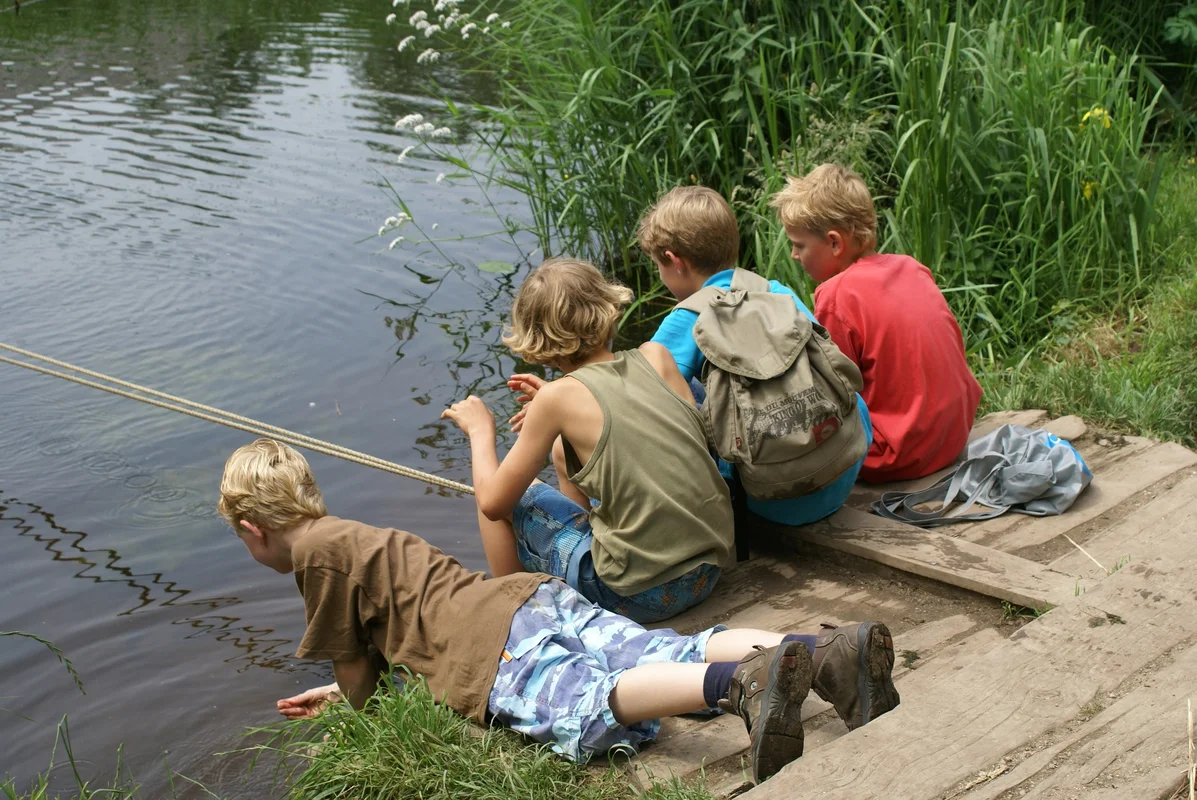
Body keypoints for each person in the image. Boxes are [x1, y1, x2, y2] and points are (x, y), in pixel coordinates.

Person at [217, 438, 900, 783]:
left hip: (490, 650)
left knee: (591, 704)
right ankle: (823, 651)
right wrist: (345, 684)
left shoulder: (313, 560)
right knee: (669, 649)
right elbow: (373, 643)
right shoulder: (352, 534)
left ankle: (737, 686)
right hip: (524, 599)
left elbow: (355, 664)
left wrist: (353, 705)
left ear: (251, 531)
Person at [441, 257, 734, 624]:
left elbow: (493, 503)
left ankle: (520, 621)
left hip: (644, 594)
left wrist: (480, 431)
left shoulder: (556, 400)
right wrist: (563, 405)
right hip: (708, 569)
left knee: (514, 495)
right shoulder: (656, 357)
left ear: (536, 340)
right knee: (569, 447)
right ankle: (581, 561)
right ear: (607, 306)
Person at [635, 185, 872, 528]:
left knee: (677, 386)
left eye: (659, 265)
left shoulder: (686, 318)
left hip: (772, 499)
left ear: (675, 262)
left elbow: (637, 403)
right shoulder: (777, 292)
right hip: (841, 469)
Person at [770, 165, 982, 483]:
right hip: (954, 434)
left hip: (898, 455)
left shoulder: (836, 294)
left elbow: (834, 392)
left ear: (834, 243)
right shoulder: (911, 267)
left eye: (800, 245)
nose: (794, 255)